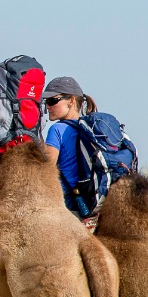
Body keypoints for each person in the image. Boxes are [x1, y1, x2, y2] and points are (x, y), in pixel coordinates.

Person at [42, 76, 97, 218]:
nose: (48, 106)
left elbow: (47, 168)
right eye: (46, 102)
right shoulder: (89, 128)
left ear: (71, 101)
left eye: (52, 101)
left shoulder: (57, 129)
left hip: (66, 197)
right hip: (88, 195)